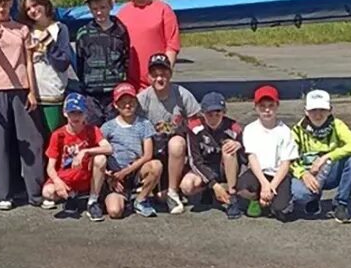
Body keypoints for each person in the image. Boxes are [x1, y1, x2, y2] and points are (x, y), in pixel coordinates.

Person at [0, 0, 46, 211]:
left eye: (5, 3)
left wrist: (32, 91)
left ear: (11, 4)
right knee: (1, 145)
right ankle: (4, 194)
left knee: (30, 141)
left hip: (21, 89)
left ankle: (35, 193)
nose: (1, 8)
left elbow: (28, 61)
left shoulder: (22, 29)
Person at [136, 53, 200, 214]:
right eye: (155, 75)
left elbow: (196, 122)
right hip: (152, 153)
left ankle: (173, 192)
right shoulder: (142, 99)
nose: (159, 79)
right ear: (148, 76)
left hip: (176, 155)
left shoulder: (182, 95)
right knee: (159, 197)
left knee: (176, 143)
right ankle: (149, 188)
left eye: (164, 74)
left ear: (170, 74)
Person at [289, 89, 351, 223]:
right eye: (313, 110)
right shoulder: (297, 130)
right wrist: (303, 174)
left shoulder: (337, 125)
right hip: (308, 175)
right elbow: (288, 157)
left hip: (330, 173)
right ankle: (313, 198)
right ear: (306, 111)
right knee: (300, 194)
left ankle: (341, 204)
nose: (318, 115)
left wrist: (327, 157)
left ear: (330, 110)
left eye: (322, 110)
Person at [41, 92, 112, 221]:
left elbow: (108, 148)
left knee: (100, 158)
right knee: (48, 192)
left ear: (85, 114)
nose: (75, 117)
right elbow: (50, 167)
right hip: (66, 177)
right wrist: (57, 182)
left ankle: (92, 201)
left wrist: (85, 152)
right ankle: (71, 196)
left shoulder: (92, 130)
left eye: (79, 113)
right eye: (72, 113)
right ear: (65, 113)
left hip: (85, 175)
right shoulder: (58, 135)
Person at [101, 82, 161, 218]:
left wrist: (126, 172)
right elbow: (97, 155)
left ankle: (140, 199)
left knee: (156, 166)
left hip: (135, 171)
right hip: (115, 176)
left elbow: (147, 155)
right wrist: (110, 176)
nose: (127, 106)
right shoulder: (108, 127)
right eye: (123, 102)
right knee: (115, 212)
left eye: (131, 101)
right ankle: (119, 198)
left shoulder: (144, 124)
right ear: (116, 105)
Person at [238, 85, 297, 221]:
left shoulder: (285, 131)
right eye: (262, 106)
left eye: (271, 105)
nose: (267, 110)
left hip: (278, 175)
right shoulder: (250, 129)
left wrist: (272, 187)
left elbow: (285, 162)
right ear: (256, 107)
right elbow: (252, 158)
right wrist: (264, 184)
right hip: (258, 173)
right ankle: (256, 199)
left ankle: (273, 203)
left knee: (280, 208)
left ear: (277, 106)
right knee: (243, 188)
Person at [181, 91, 244, 219]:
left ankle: (232, 197)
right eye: (209, 114)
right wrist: (213, 184)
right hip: (205, 167)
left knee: (229, 149)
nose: (214, 118)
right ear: (202, 114)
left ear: (224, 112)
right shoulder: (194, 128)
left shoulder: (233, 128)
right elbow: (195, 161)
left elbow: (248, 153)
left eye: (218, 113)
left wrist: (239, 145)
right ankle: (208, 190)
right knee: (186, 186)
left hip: (225, 168)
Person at [73, 0, 130, 125]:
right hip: (92, 94)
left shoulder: (121, 30)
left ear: (110, 5)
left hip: (115, 93)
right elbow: (79, 62)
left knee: (116, 130)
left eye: (103, 7)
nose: (99, 12)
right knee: (93, 129)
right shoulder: (83, 33)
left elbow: (126, 58)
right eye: (94, 8)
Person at [22, 0, 76, 135]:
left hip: (53, 95)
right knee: (36, 142)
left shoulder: (59, 29)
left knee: (54, 138)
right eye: (28, 9)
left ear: (45, 4)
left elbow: (63, 63)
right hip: (30, 96)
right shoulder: (26, 31)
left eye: (35, 5)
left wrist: (47, 42)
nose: (33, 10)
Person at [117, 0, 178, 89]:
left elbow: (172, 45)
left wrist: (165, 73)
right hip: (131, 83)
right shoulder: (122, 13)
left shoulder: (163, 9)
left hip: (157, 79)